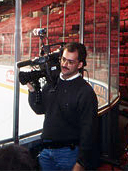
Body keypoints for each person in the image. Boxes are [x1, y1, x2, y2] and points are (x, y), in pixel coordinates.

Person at [27, 42, 99, 170]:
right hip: (46, 152)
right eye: (64, 60)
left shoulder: (85, 92)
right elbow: (39, 109)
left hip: (69, 154)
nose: (65, 65)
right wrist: (33, 91)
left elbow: (89, 131)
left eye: (70, 62)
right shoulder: (51, 84)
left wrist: (81, 162)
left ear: (80, 64)